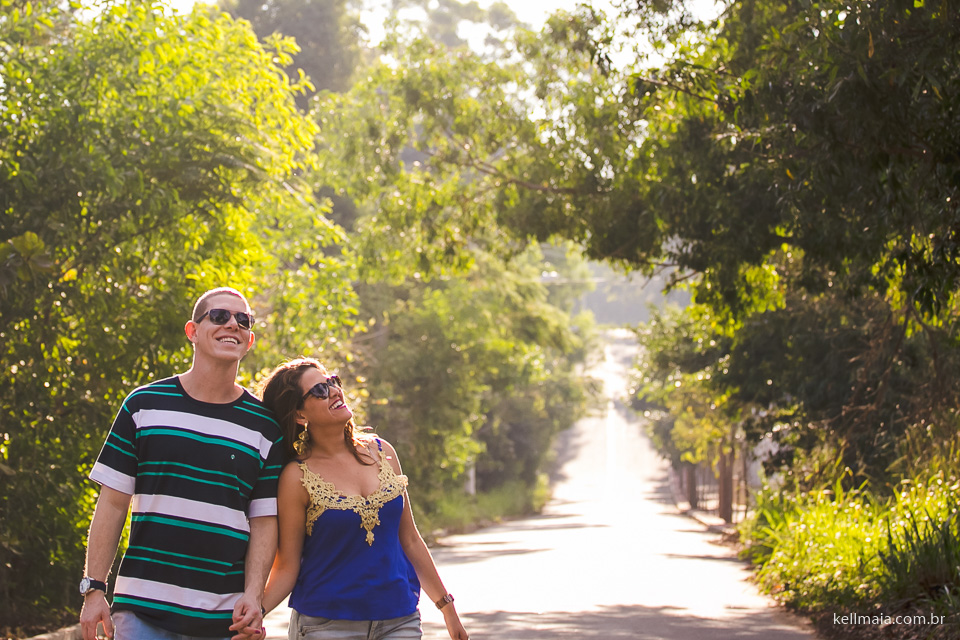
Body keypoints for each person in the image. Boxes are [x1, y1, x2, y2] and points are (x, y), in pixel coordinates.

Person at [79, 287, 284, 640]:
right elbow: (112, 504)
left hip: (224, 622)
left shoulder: (264, 427)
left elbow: (264, 521)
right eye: (219, 316)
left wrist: (254, 597)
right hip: (141, 612)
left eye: (243, 320)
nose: (232, 324)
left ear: (250, 340)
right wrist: (94, 588)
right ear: (192, 331)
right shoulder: (143, 406)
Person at [258, 358, 468, 640]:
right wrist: (255, 613)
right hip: (326, 626)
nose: (334, 391)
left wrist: (447, 610)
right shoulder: (296, 477)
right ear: (299, 415)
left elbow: (410, 540)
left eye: (332, 382)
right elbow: (286, 567)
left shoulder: (384, 452)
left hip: (399, 620)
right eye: (319, 390)